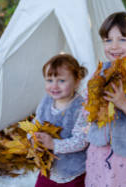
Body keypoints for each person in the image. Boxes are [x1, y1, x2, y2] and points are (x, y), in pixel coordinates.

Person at [37, 12, 126, 186]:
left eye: (122, 39)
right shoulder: (100, 74)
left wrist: (124, 104)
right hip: (98, 157)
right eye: (108, 40)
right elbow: (87, 115)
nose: (114, 46)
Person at [32, 54, 88, 187]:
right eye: (49, 80)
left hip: (73, 171)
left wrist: (54, 145)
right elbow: (36, 123)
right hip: (48, 168)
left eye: (61, 81)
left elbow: (81, 140)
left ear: (76, 82)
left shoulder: (81, 108)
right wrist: (32, 137)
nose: (54, 86)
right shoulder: (46, 101)